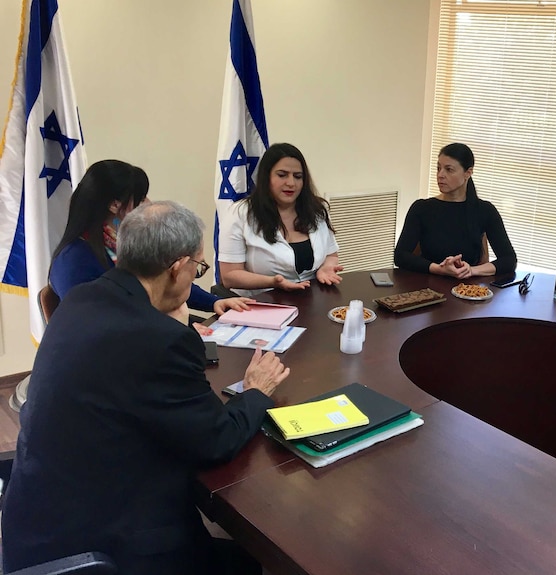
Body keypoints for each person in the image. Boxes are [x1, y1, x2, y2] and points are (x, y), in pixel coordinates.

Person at [1, 201, 290, 575]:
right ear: (176, 269)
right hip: (103, 549)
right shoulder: (159, 340)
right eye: (197, 268)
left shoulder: (80, 299)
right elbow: (216, 442)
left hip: (36, 527)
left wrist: (170, 323)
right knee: (251, 564)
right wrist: (256, 390)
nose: (194, 278)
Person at [49, 160, 252, 317]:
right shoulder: (73, 260)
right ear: (114, 205)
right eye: (140, 200)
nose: (148, 204)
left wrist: (213, 302)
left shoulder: (124, 244)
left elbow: (167, 283)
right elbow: (97, 322)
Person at [218, 143, 342, 296]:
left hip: (312, 300)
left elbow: (331, 255)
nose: (291, 183)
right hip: (260, 302)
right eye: (282, 175)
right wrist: (272, 282)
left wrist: (326, 268)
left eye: (298, 176)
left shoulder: (317, 210)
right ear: (267, 177)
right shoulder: (240, 213)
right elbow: (229, 276)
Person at [394, 143, 517, 278]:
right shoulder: (422, 208)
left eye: (449, 169)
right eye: (438, 168)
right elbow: (400, 256)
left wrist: (471, 270)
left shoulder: (485, 210)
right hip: (427, 288)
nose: (440, 175)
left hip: (467, 290)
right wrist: (438, 269)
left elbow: (508, 260)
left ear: (468, 173)